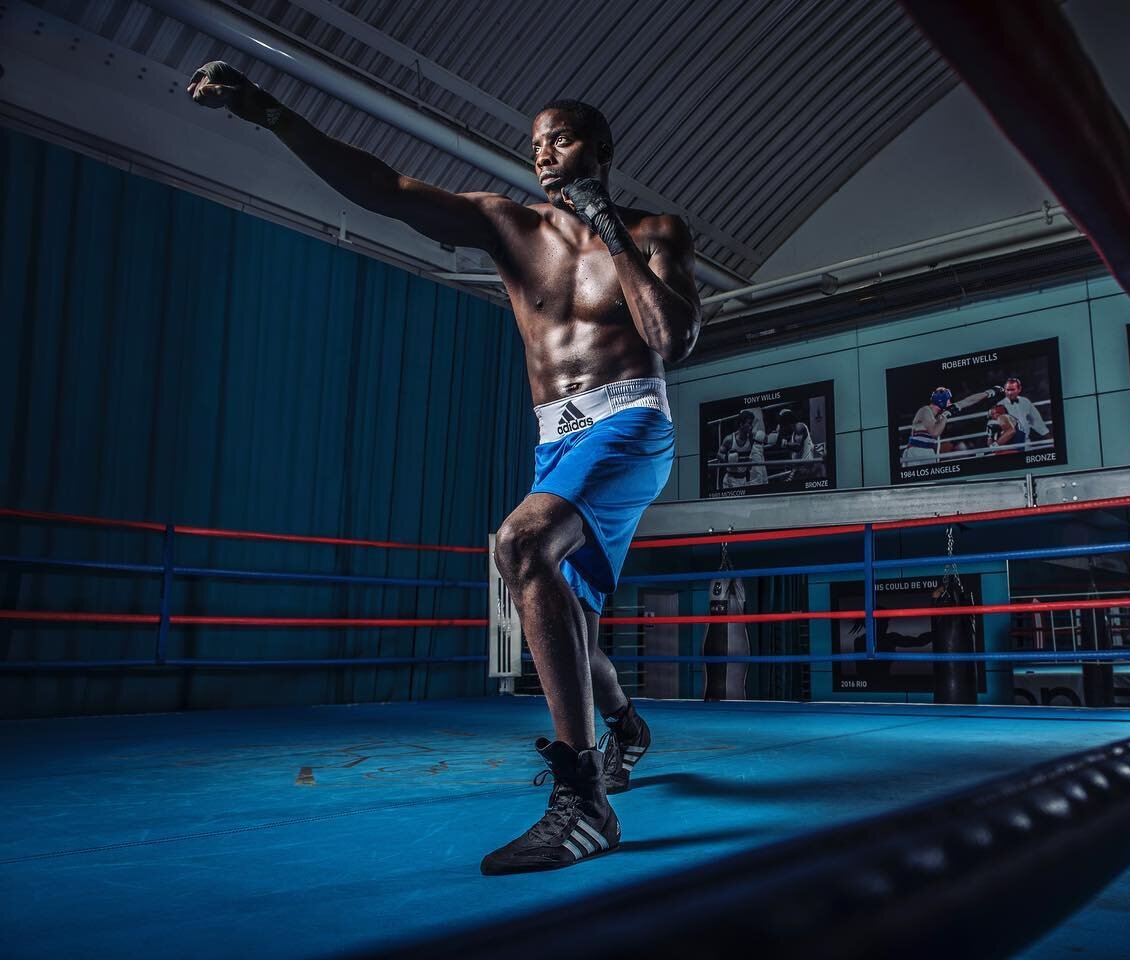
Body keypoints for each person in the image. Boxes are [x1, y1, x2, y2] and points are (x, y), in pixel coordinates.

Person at [187, 63, 701, 875]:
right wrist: (268, 112)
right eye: (534, 144)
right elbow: (387, 187)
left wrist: (608, 223)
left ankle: (583, 801)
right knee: (572, 629)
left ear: (599, 148)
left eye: (560, 138)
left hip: (632, 421)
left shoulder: (655, 231)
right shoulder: (509, 228)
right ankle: (626, 726)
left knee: (521, 545)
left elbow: (672, 340)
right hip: (556, 440)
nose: (544, 153)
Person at [900, 386, 994, 466]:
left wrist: (989, 392)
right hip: (916, 452)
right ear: (942, 400)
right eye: (948, 400)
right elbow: (935, 432)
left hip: (929, 451)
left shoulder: (940, 413)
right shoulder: (925, 411)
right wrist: (945, 416)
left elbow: (967, 401)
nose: (949, 403)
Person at [715, 409, 768, 489]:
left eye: (752, 424)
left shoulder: (751, 438)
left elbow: (767, 439)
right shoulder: (729, 439)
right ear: (741, 424)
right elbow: (718, 455)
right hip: (730, 480)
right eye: (749, 424)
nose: (751, 427)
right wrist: (727, 458)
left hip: (744, 480)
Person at [994, 377, 1050, 451]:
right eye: (1008, 390)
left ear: (1019, 389)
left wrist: (1050, 438)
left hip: (1026, 443)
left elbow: (1036, 421)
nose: (1010, 393)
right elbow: (997, 429)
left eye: (1012, 389)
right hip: (1009, 446)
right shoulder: (1000, 405)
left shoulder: (1025, 401)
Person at [766, 408, 818, 481]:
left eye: (782, 425)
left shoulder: (799, 427)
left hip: (805, 469)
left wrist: (783, 443)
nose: (781, 427)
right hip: (798, 468)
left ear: (786, 423)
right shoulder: (793, 432)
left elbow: (798, 447)